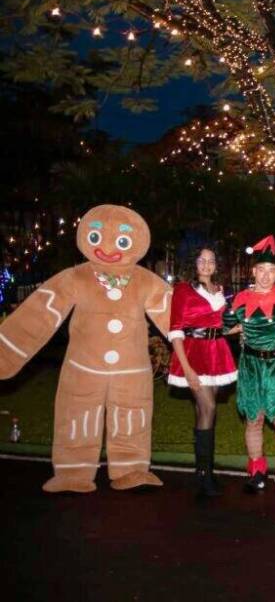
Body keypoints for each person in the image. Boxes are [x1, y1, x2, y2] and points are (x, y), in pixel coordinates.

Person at [0, 205, 171, 493]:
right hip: (82, 368)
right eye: (96, 238)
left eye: (122, 242)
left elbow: (176, 316)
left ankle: (131, 468)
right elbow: (40, 314)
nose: (107, 248)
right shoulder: (74, 278)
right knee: (77, 416)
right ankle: (72, 471)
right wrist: (8, 350)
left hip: (132, 371)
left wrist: (207, 348)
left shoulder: (145, 281)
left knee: (132, 417)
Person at [225, 235, 275, 494]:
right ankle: (257, 470)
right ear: (253, 271)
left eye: (271, 271)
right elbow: (224, 326)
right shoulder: (239, 299)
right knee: (254, 418)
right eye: (261, 270)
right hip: (251, 366)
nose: (266, 276)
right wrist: (241, 331)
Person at [167, 247, 237, 497]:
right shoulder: (183, 290)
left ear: (216, 265)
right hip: (194, 353)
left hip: (217, 353)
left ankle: (203, 468)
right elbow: (175, 329)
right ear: (193, 264)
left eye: (211, 260)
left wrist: (241, 327)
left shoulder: (220, 291)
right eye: (201, 260)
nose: (207, 264)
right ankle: (205, 475)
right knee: (208, 408)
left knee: (202, 410)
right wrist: (186, 369)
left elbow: (220, 325)